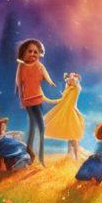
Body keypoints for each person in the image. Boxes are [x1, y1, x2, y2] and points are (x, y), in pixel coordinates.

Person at [14, 38, 56, 166]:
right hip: (28, 101)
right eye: (30, 51)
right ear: (24, 53)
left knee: (40, 128)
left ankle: (38, 156)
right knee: (34, 127)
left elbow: (45, 74)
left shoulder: (39, 65)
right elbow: (18, 84)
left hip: (38, 99)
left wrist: (50, 82)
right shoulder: (21, 66)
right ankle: (31, 155)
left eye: (35, 52)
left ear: (39, 53)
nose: (32, 54)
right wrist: (21, 99)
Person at [43, 72, 86, 161]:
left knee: (74, 137)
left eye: (74, 78)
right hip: (65, 112)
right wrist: (47, 100)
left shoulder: (76, 88)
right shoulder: (68, 89)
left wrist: (70, 77)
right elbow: (61, 101)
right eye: (71, 78)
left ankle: (77, 157)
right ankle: (70, 156)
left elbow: (75, 82)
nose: (71, 79)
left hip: (71, 113)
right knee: (70, 136)